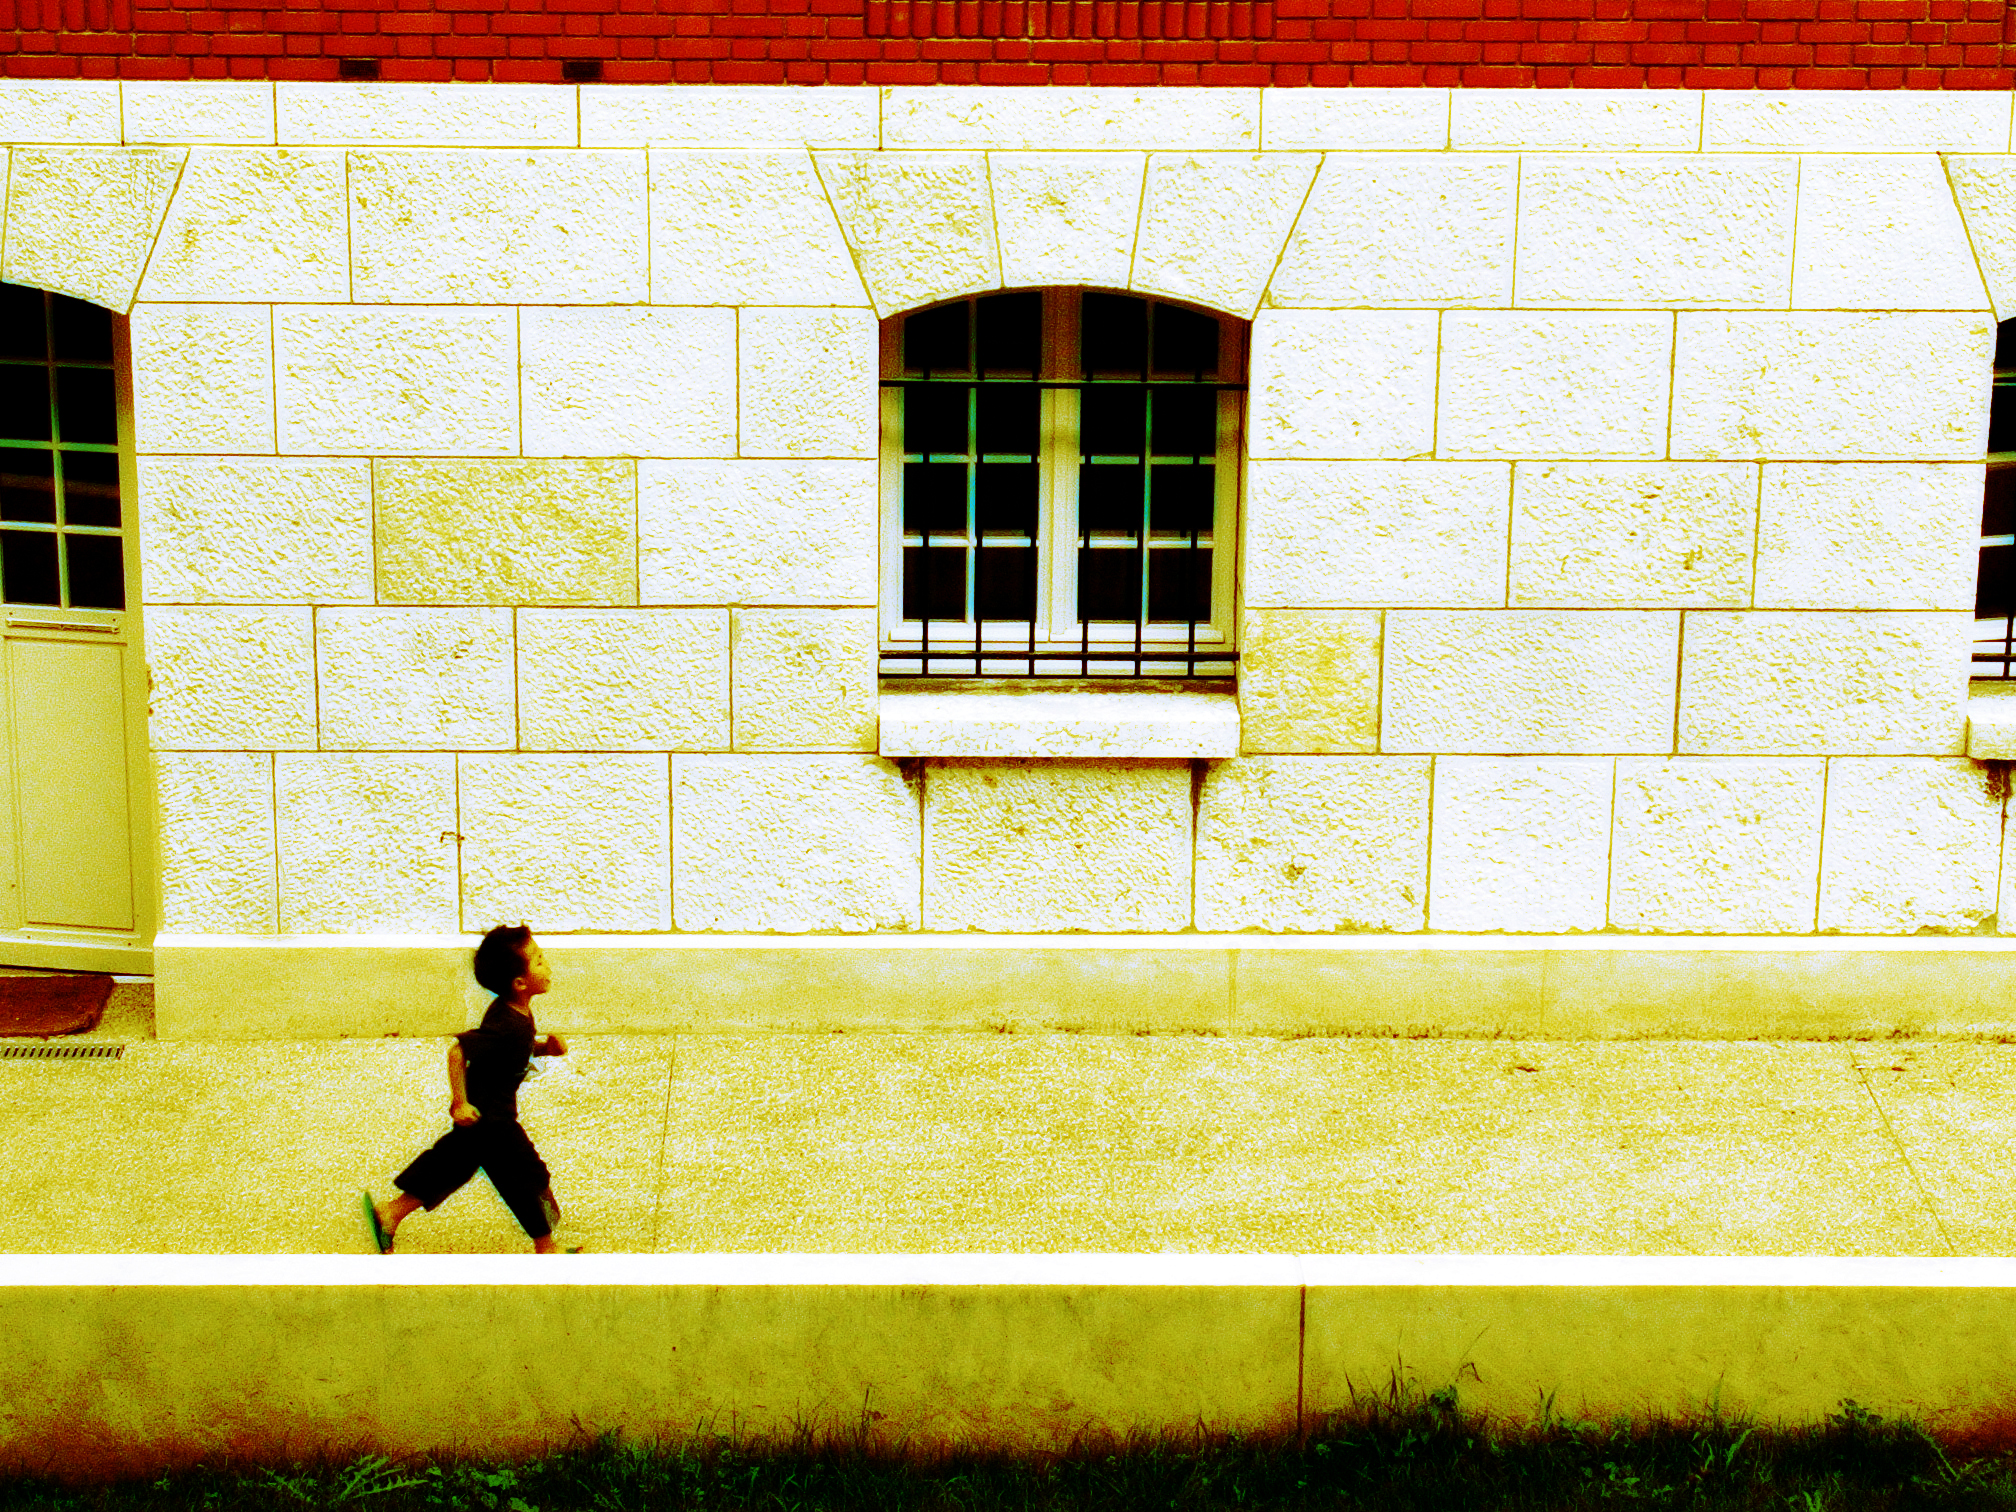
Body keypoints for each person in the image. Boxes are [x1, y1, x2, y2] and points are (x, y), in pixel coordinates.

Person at [362, 924, 575, 1254]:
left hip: (488, 1118)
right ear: (519, 983)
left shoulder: (516, 1014)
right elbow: (458, 1052)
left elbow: (510, 1050)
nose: (547, 967)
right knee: (525, 1176)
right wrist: (459, 1103)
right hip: (490, 1120)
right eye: (539, 961)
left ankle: (390, 1213)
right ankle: (547, 1248)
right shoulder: (507, 1023)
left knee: (451, 1166)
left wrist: (545, 1048)